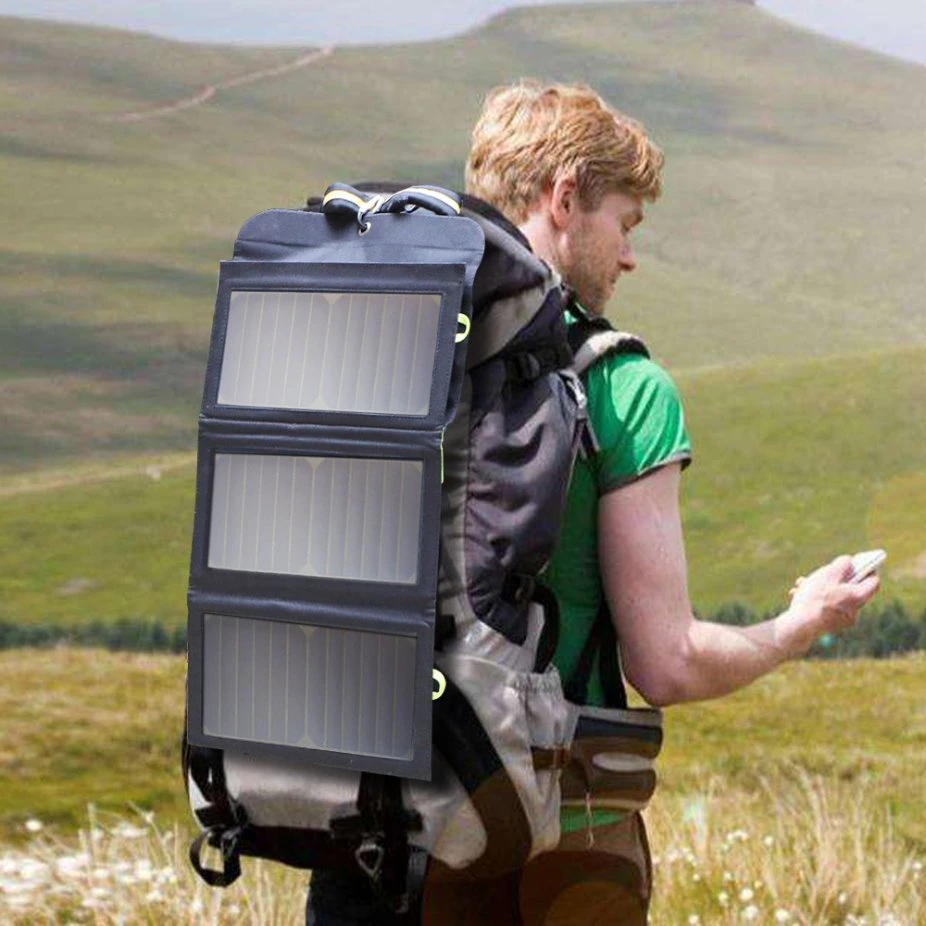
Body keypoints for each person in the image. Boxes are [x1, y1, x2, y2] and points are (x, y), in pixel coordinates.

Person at [307, 80, 880, 925]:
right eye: (626, 221)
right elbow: (667, 663)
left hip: (354, 818)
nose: (630, 255)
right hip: (526, 844)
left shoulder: (378, 344)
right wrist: (803, 623)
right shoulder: (622, 386)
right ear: (564, 197)